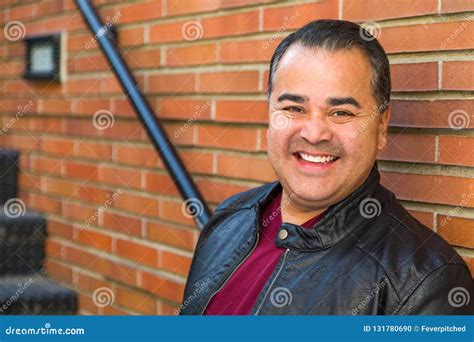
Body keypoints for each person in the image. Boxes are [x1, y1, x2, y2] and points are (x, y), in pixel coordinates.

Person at [179, 19, 474, 315]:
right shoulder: (228, 219)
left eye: (341, 112)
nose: (314, 133)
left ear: (381, 126)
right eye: (294, 108)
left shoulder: (425, 283)